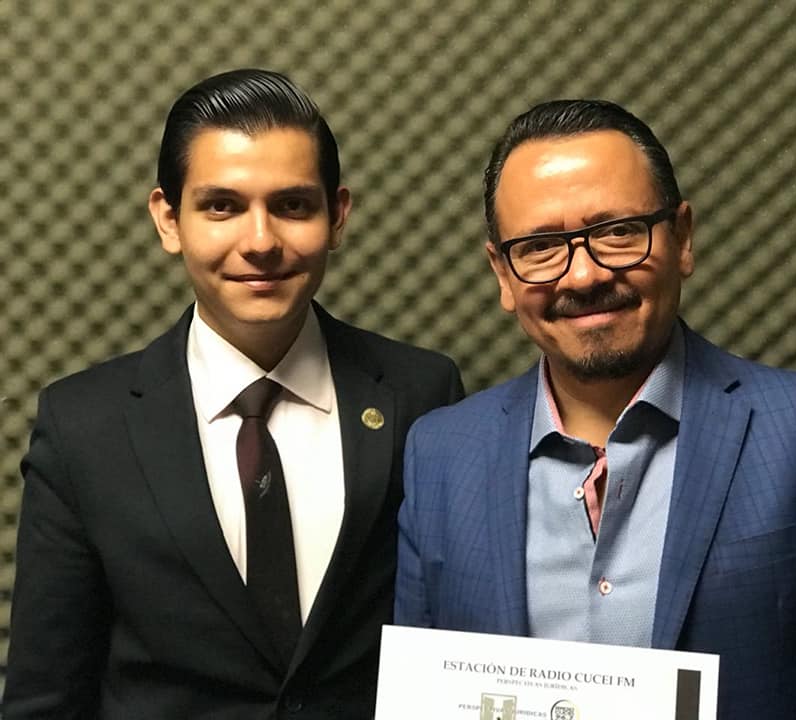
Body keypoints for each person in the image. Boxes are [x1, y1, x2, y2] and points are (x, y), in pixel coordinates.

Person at [394, 99, 796, 718]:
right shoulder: (439, 453)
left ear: (682, 238)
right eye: (541, 246)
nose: (582, 276)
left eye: (618, 232)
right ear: (503, 273)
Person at [4, 68, 464, 719]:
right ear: (169, 219)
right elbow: (45, 696)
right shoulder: (84, 426)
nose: (260, 242)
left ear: (338, 216)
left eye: (293, 206)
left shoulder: (422, 393)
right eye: (222, 206)